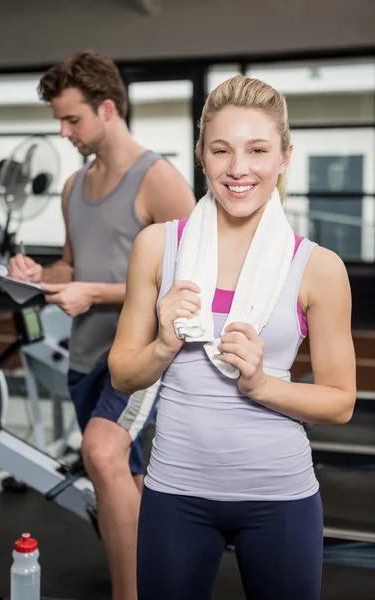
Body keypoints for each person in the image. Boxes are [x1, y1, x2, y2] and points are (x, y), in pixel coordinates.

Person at [108, 75, 357, 600]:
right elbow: (122, 373)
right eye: (221, 150)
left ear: (285, 156)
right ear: (202, 156)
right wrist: (162, 346)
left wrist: (261, 384)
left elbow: (339, 403)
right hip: (176, 493)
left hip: (280, 498)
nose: (239, 169)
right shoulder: (157, 248)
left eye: (258, 150)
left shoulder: (319, 268)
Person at [7, 50, 196, 600]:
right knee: (124, 480)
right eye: (60, 121)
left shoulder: (159, 179)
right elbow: (73, 265)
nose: (64, 132)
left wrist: (94, 293)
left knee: (100, 452)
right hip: (85, 357)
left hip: (136, 359)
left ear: (107, 108)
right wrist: (39, 274)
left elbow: (186, 286)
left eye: (73, 119)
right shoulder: (73, 187)